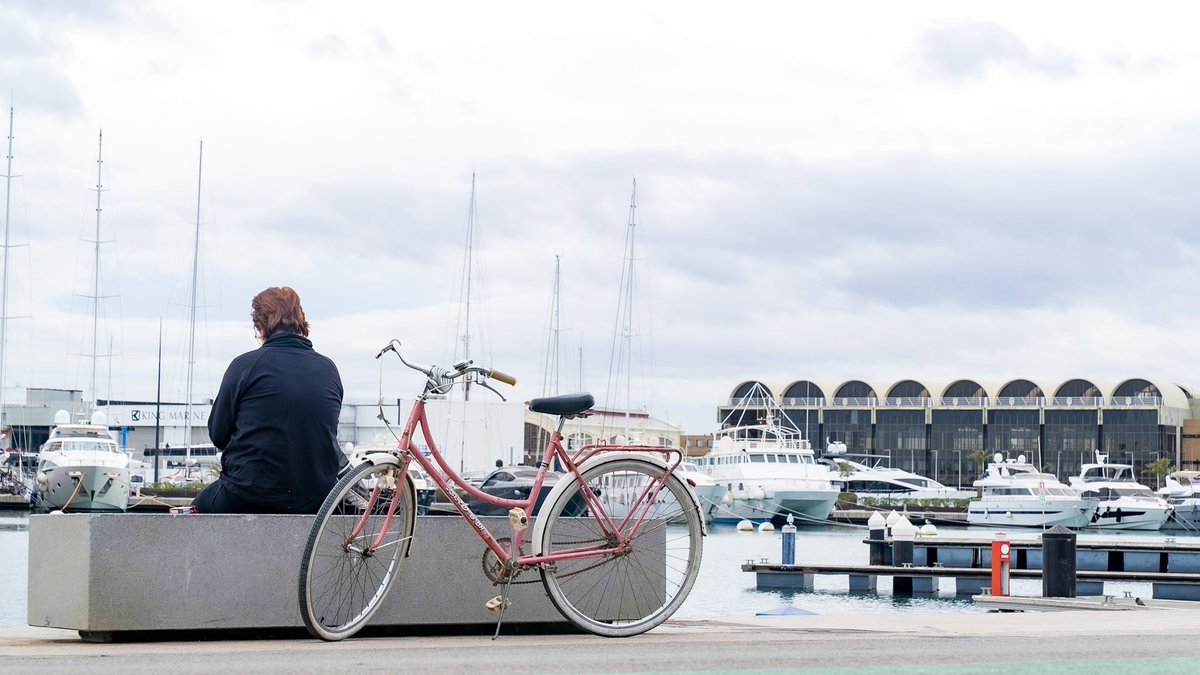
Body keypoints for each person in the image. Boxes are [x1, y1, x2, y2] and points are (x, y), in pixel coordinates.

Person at [193, 286, 346, 514]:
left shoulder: (245, 366)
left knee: (196, 508)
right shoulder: (328, 369)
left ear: (261, 325)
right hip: (317, 498)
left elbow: (218, 435)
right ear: (301, 320)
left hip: (249, 493)